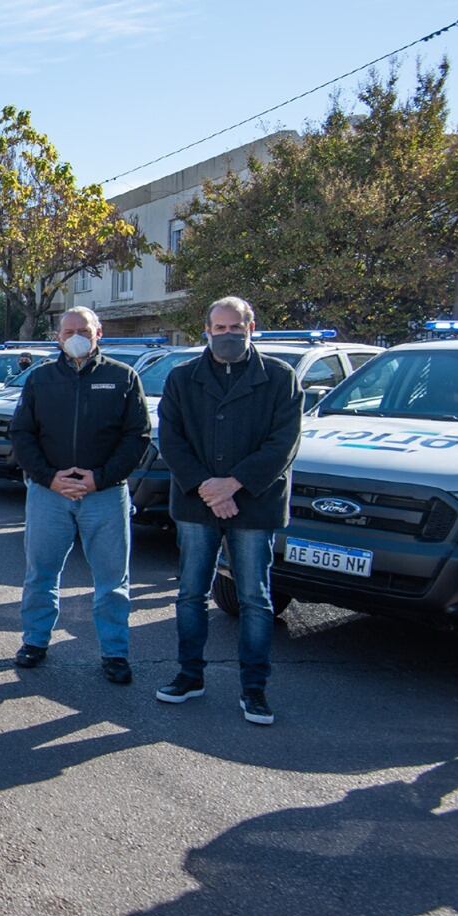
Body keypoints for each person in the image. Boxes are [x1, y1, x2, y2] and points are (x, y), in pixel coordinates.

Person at [156, 296, 303, 726]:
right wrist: (207, 487)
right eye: (219, 328)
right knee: (190, 594)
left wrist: (233, 484)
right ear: (207, 330)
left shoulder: (279, 377)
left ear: (251, 327)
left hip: (253, 504)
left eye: (234, 327)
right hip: (197, 503)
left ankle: (254, 689)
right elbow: (172, 438)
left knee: (255, 599)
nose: (227, 335)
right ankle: (189, 675)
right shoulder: (183, 378)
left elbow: (284, 443)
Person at [9, 308, 151, 683]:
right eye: (68, 330)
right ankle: (35, 642)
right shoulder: (40, 379)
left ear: (98, 333)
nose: (76, 336)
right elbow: (22, 436)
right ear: (57, 336)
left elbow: (137, 437)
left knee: (111, 580)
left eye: (83, 330)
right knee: (40, 573)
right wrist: (49, 478)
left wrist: (99, 478)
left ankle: (115, 653)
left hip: (103, 495)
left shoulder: (122, 377)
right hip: (49, 494)